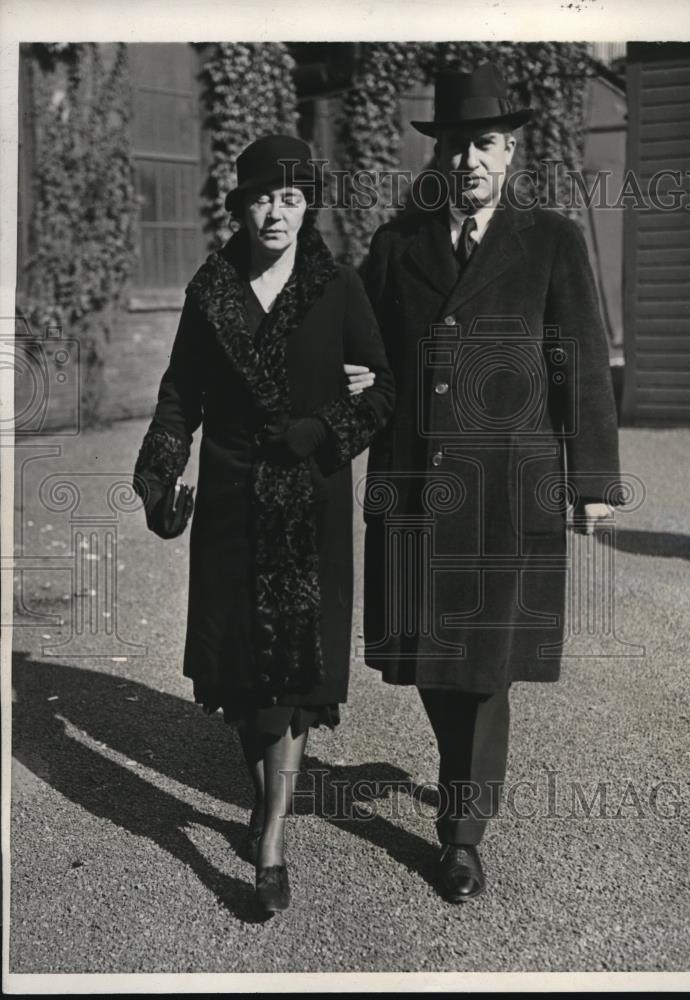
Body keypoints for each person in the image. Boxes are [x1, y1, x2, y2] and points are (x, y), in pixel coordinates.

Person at [362, 63, 623, 902]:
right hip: (413, 482)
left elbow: (578, 361)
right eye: (455, 144)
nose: (469, 160)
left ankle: (463, 833)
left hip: (506, 490)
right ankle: (458, 772)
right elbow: (361, 348)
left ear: (511, 152)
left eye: (486, 144)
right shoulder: (396, 244)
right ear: (437, 152)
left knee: (483, 665)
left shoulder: (549, 239)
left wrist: (591, 479)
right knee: (431, 663)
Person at [132, 134, 395, 914]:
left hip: (306, 507)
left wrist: (324, 432)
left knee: (292, 683)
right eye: (259, 198)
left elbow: (382, 393)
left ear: (306, 204)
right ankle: (264, 802)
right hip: (229, 505)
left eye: (288, 198)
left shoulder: (338, 286)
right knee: (244, 679)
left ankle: (271, 839)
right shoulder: (210, 288)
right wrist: (157, 478)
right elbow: (180, 395)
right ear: (239, 206)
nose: (273, 213)